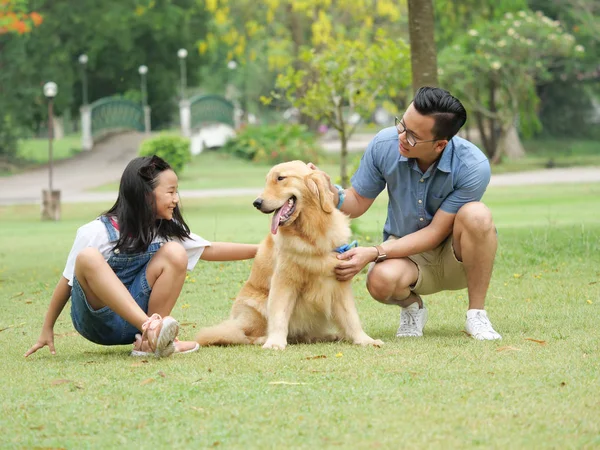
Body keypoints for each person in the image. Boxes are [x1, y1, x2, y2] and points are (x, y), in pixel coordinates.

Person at [311, 86, 502, 340]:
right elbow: (357, 201)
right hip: (405, 255)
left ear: (440, 144)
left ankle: (476, 314)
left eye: (412, 135)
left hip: (456, 256)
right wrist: (330, 193)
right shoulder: (384, 144)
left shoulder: (472, 166)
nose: (401, 136)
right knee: (379, 281)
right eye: (402, 125)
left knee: (477, 214)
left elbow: (435, 233)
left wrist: (374, 252)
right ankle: (413, 307)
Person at [25, 155, 258, 358]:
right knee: (87, 257)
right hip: (97, 321)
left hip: (135, 321)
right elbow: (67, 283)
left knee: (175, 252)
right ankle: (152, 329)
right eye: (171, 192)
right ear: (146, 195)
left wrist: (263, 250)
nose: (176, 199)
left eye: (177, 191)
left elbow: (209, 249)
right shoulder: (96, 231)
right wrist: (47, 328)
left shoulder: (164, 228)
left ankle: (149, 342)